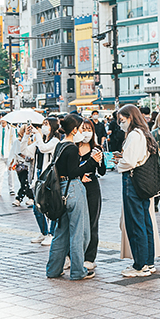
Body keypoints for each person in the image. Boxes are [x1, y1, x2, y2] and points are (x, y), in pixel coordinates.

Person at [45, 113, 99, 281]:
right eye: (81, 128)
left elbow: (64, 170)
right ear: (75, 129)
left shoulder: (59, 146)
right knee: (79, 233)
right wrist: (92, 162)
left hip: (60, 190)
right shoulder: (73, 148)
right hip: (74, 190)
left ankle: (53, 269)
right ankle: (77, 271)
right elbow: (74, 171)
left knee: (60, 233)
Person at [117, 104, 158, 278]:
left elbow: (130, 161)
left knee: (136, 223)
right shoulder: (145, 133)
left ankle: (139, 265)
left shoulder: (134, 135)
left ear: (131, 117)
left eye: (122, 120)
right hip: (144, 182)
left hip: (133, 181)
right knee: (145, 222)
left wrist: (119, 162)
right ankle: (148, 261)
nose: (121, 124)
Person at [77, 118, 106, 270]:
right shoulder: (73, 147)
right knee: (76, 223)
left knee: (92, 222)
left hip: (92, 188)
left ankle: (90, 257)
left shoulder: (97, 149)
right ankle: (74, 255)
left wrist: (100, 161)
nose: (87, 132)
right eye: (84, 129)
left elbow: (102, 172)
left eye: (89, 129)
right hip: (75, 187)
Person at [30, 117, 62, 244]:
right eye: (43, 124)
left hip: (50, 177)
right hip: (39, 176)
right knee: (37, 206)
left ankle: (51, 233)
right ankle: (43, 232)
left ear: (52, 127)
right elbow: (26, 151)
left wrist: (37, 135)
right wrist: (26, 137)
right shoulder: (40, 139)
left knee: (51, 206)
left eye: (46, 124)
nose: (43, 127)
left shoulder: (55, 141)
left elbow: (43, 148)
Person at [0, 115, 17, 196]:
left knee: (11, 173)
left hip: (9, 155)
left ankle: (12, 189)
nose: (2, 120)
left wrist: (14, 155)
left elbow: (14, 142)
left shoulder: (12, 129)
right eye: (1, 118)